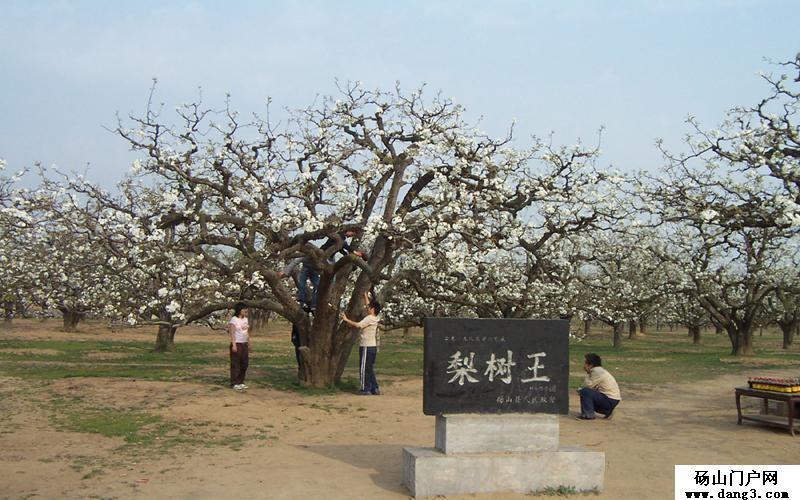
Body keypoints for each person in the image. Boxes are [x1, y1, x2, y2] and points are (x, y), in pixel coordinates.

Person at [297, 230, 364, 312]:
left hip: (329, 257)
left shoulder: (340, 237)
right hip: (325, 256)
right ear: (349, 231)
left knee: (324, 280)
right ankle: (325, 297)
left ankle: (317, 301)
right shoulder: (340, 236)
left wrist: (347, 255)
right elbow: (344, 245)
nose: (351, 236)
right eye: (352, 233)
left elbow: (341, 249)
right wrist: (354, 252)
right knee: (332, 278)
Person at [340, 292, 381, 395]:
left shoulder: (369, 318)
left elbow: (358, 325)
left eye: (369, 307)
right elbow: (369, 306)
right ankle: (374, 388)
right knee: (369, 368)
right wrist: (365, 297)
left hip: (366, 346)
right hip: (373, 346)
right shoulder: (376, 317)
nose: (367, 308)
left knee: (363, 368)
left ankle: (365, 389)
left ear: (372, 309)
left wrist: (346, 320)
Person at [576, 353, 621, 420]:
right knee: (587, 397)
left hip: (609, 399)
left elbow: (587, 385)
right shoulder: (598, 370)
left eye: (585, 363)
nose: (584, 365)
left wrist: (580, 389)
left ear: (590, 365)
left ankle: (588, 415)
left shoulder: (597, 371)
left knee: (585, 391)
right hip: (612, 400)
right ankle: (608, 411)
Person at [228, 302, 251, 391]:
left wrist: (249, 343)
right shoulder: (234, 320)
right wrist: (234, 344)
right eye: (244, 309)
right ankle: (234, 382)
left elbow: (246, 332)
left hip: (244, 343)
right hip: (237, 343)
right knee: (235, 364)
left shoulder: (246, 319)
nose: (245, 311)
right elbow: (232, 332)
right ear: (239, 310)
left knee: (245, 363)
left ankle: (241, 381)